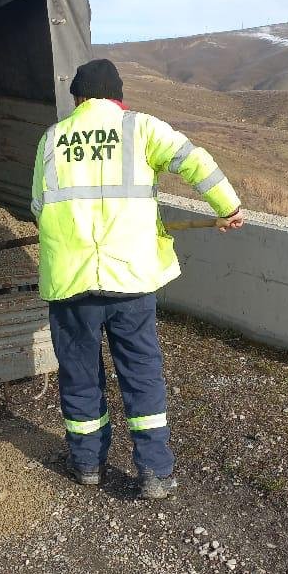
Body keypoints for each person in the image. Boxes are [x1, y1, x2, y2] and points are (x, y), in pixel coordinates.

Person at [31, 58, 244, 500]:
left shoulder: (52, 138)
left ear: (78, 98)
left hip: (70, 285)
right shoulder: (140, 128)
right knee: (141, 374)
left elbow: (38, 206)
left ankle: (87, 465)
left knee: (79, 376)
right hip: (129, 280)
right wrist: (227, 207)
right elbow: (194, 160)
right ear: (118, 97)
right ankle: (155, 473)